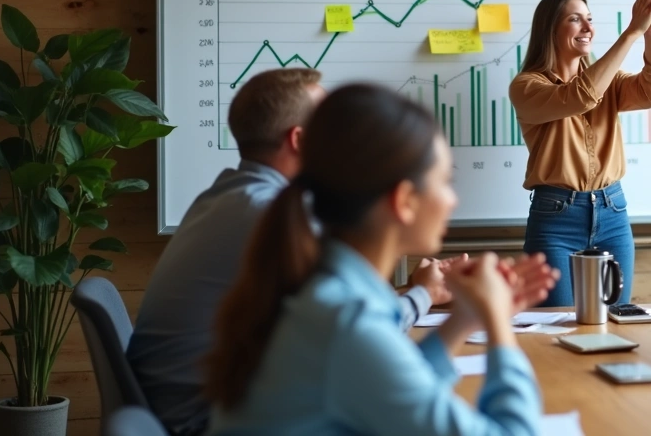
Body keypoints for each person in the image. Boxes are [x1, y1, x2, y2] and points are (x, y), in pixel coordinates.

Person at [205, 85, 556, 435]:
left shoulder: (330, 289)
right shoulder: (347, 320)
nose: (453, 200)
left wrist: (465, 318)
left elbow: (395, 387)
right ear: (404, 200)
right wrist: (496, 322)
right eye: (445, 181)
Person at [129, 69, 456, 435]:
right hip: (199, 422)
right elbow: (346, 326)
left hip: (188, 409)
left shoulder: (230, 195)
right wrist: (424, 295)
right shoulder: (272, 218)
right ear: (300, 140)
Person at [509, 0, 651, 306]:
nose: (588, 28)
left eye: (590, 19)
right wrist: (631, 31)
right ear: (550, 30)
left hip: (612, 211)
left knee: (616, 318)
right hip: (556, 218)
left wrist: (650, 30)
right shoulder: (527, 86)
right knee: (557, 322)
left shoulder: (607, 81)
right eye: (575, 19)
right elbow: (579, 96)